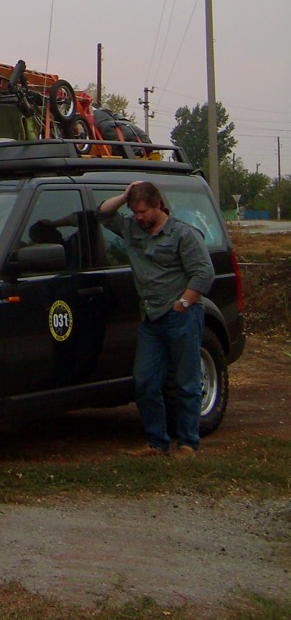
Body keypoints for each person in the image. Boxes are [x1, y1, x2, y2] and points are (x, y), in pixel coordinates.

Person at [97, 179, 215, 458]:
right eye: (134, 212)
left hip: (180, 317)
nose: (138, 217)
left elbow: (203, 272)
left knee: (186, 382)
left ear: (157, 205)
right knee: (145, 381)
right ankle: (157, 442)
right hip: (151, 318)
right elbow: (102, 214)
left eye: (143, 212)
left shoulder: (182, 234)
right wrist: (126, 194)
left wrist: (184, 303)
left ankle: (188, 443)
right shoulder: (132, 229)